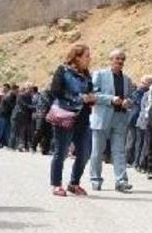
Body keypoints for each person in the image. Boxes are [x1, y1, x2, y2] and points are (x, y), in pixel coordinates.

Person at [49, 44, 97, 197]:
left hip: (83, 117)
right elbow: (55, 91)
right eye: (87, 56)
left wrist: (91, 98)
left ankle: (74, 183)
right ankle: (57, 185)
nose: (90, 59)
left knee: (84, 153)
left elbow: (89, 92)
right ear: (77, 57)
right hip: (65, 115)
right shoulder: (62, 70)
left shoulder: (87, 74)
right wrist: (77, 98)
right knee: (61, 152)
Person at [89, 49, 136, 192]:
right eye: (117, 58)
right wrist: (110, 99)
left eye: (122, 59)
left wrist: (129, 101)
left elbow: (131, 97)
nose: (120, 61)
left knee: (119, 151)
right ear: (110, 60)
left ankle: (121, 181)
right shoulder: (100, 75)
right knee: (97, 152)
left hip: (120, 118)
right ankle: (95, 180)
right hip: (102, 118)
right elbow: (92, 95)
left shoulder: (127, 79)